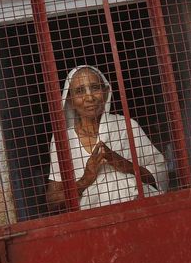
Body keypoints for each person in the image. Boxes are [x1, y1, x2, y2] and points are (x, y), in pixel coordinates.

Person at [46, 65, 168, 211]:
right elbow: (52, 201)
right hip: (94, 221)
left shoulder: (126, 125)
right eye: (80, 91)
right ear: (70, 100)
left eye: (95, 88)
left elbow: (159, 172)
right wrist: (86, 179)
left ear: (105, 92)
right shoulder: (63, 139)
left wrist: (122, 163)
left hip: (138, 211)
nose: (89, 97)